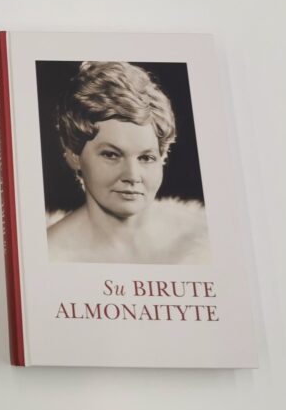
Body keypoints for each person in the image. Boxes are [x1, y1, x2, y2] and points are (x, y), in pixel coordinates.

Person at [47, 61, 210, 264]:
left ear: (162, 158)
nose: (132, 175)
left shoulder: (200, 240)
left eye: (146, 158)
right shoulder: (51, 254)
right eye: (111, 155)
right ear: (73, 155)